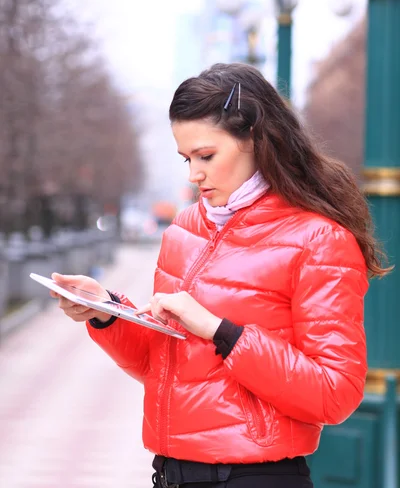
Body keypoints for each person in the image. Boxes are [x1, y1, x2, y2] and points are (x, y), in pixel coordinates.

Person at [51, 63, 391, 488]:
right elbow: (165, 365)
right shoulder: (185, 229)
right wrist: (106, 312)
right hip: (172, 473)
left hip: (256, 477)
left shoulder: (318, 239)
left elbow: (335, 393)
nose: (194, 174)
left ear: (254, 138)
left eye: (206, 156)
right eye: (186, 158)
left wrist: (221, 331)